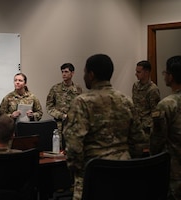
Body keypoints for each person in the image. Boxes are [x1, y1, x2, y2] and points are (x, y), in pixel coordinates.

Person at [63, 54, 146, 200]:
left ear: (91, 74)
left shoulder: (82, 102)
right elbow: (138, 140)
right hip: (124, 174)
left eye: (85, 73)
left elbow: (74, 145)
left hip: (94, 175)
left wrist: (77, 171)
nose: (84, 77)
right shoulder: (125, 100)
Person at [150, 55, 181, 200]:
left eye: (165, 73)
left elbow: (157, 140)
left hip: (176, 174)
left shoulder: (167, 104)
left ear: (171, 76)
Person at [46, 63, 83, 149]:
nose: (64, 74)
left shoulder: (78, 89)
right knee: (59, 149)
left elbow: (82, 106)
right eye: (62, 72)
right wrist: (61, 115)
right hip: (59, 125)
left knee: (74, 148)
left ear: (72, 73)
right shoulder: (55, 88)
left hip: (74, 124)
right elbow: (49, 107)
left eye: (66, 71)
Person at [132, 60, 160, 149]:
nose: (136, 74)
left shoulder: (153, 90)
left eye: (138, 72)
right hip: (136, 125)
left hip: (146, 128)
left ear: (146, 72)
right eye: (136, 71)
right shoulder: (136, 85)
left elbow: (155, 113)